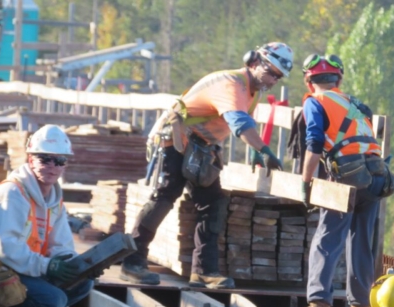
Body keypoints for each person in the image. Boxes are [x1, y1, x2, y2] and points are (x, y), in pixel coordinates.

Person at [120, 42, 293, 287]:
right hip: (176, 140)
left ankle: (203, 271)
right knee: (167, 193)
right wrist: (262, 149)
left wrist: (255, 151)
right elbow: (239, 123)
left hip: (200, 148)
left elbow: (244, 121)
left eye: (278, 76)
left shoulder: (252, 92)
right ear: (254, 62)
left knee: (213, 202)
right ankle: (132, 261)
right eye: (271, 71)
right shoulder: (231, 84)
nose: (273, 79)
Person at [291, 54, 394, 307]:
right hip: (376, 177)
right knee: (361, 241)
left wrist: (306, 183)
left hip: (347, 178)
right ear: (338, 79)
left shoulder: (315, 102)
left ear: (308, 80)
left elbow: (314, 141)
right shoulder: (355, 104)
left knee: (327, 239)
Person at [0, 125, 94, 307]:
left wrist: (76, 264)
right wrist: (47, 266)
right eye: (45, 159)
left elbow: (60, 245)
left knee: (83, 284)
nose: (52, 166)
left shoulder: (53, 201)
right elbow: (5, 249)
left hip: (19, 267)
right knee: (53, 301)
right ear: (30, 159)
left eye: (60, 160)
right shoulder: (12, 193)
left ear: (65, 165)